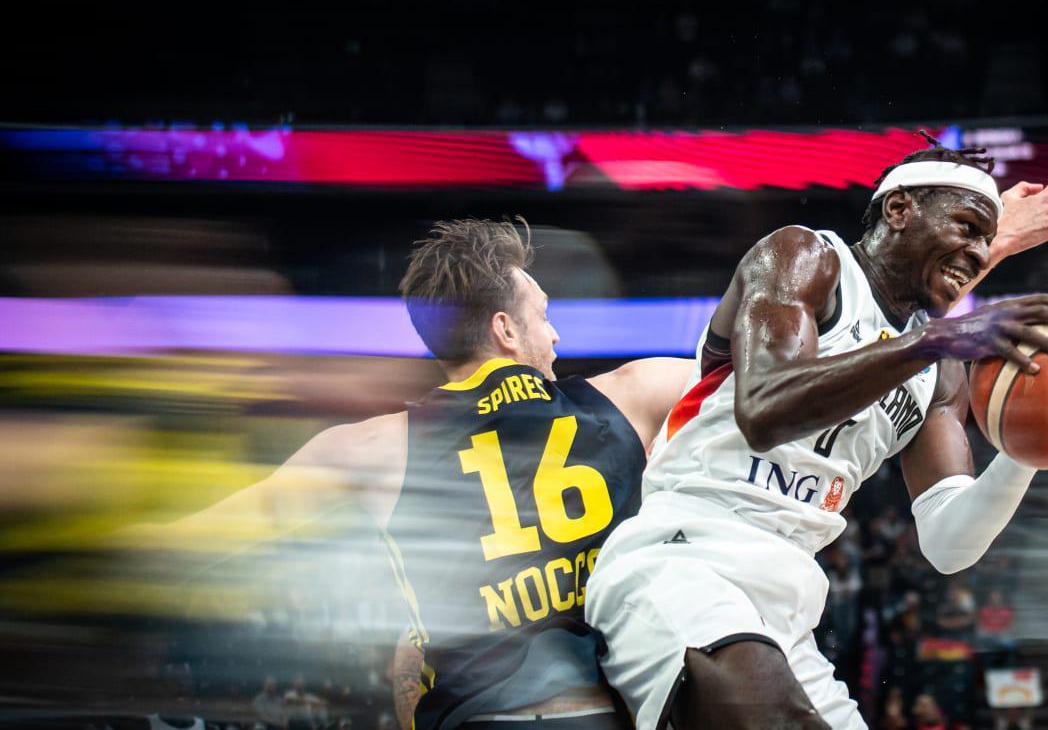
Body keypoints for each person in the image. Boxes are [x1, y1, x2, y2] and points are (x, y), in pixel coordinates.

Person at [585, 134, 1048, 729]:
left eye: (988, 239)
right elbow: (766, 408)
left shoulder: (940, 371)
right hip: (683, 559)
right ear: (898, 210)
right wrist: (935, 339)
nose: (980, 253)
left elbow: (948, 543)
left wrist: (1029, 446)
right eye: (967, 227)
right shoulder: (805, 258)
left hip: (788, 604)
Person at [143, 219, 693, 730]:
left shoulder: (374, 446)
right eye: (544, 315)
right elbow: (741, 361)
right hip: (606, 715)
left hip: (482, 718)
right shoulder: (629, 397)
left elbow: (193, 541)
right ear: (505, 329)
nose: (554, 337)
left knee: (410, 647)